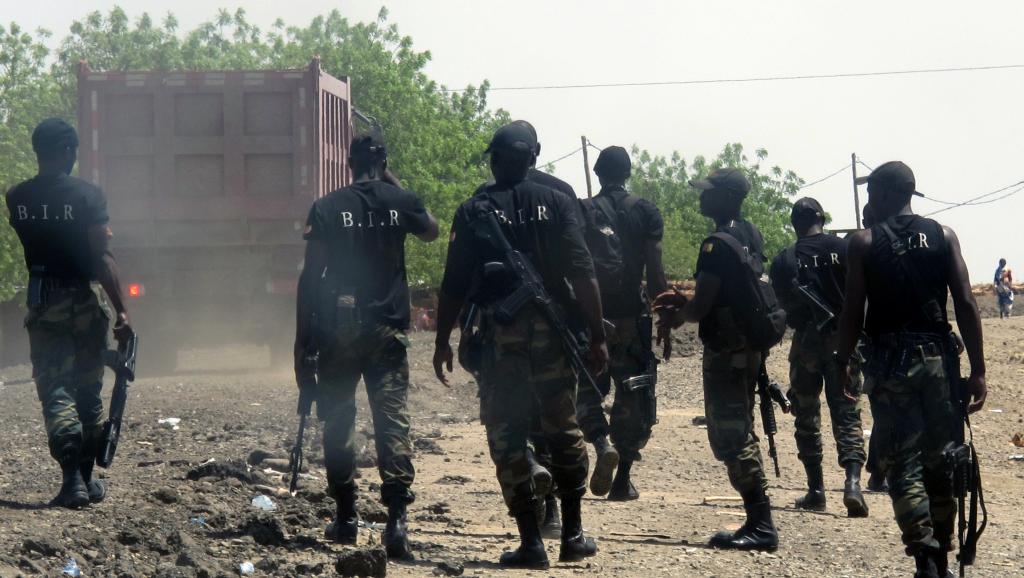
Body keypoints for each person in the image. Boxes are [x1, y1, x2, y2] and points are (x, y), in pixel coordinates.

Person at [433, 122, 607, 569]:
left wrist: (443, 341)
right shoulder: (559, 202)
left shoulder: (474, 209)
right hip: (552, 334)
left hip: (499, 337)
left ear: (494, 158)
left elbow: (453, 284)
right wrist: (597, 335)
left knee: (507, 433)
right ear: (536, 155)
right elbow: (584, 272)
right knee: (563, 428)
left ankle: (532, 541)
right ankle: (572, 534)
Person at [835, 161, 986, 577]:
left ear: (883, 194)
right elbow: (967, 305)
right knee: (943, 459)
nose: (867, 201)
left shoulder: (862, 243)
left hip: (890, 361)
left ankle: (924, 557)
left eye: (871, 193)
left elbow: (852, 310)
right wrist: (978, 370)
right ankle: (940, 556)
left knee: (903, 463)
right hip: (939, 359)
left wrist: (843, 361)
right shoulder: (944, 235)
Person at [294, 134, 439, 558]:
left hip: (337, 331)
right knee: (391, 419)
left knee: (338, 419)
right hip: (386, 331)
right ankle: (396, 522)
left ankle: (345, 517)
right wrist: (391, 179)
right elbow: (430, 230)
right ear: (383, 162)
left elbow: (310, 278)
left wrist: (300, 343)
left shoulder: (327, 207)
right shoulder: (401, 201)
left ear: (348, 162)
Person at [5, 118, 133, 508]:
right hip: (83, 301)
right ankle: (85, 479)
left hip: (43, 302)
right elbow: (102, 256)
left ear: (37, 151)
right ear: (67, 152)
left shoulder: (17, 198)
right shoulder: (88, 197)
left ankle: (72, 481)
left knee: (55, 389)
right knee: (87, 388)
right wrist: (122, 311)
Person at [653, 168, 779, 551]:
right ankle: (758, 519)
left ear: (725, 196)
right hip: (750, 347)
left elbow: (702, 307)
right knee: (742, 427)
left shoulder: (714, 244)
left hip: (727, 350)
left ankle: (761, 523)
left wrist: (678, 314)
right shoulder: (750, 233)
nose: (700, 198)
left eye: (707, 192)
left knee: (730, 434)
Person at [574, 146, 667, 501]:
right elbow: (656, 275)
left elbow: (575, 268)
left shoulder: (583, 210)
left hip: (593, 319)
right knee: (635, 396)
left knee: (586, 390)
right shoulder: (645, 211)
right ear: (627, 174)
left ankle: (599, 443)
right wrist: (665, 313)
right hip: (632, 316)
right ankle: (623, 479)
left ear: (598, 175)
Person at [768, 198, 868, 517]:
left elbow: (780, 306)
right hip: (845, 339)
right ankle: (852, 484)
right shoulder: (845, 248)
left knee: (806, 414)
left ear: (795, 223)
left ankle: (816, 490)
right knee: (847, 411)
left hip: (807, 342)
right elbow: (861, 295)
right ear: (821, 218)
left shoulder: (785, 259)